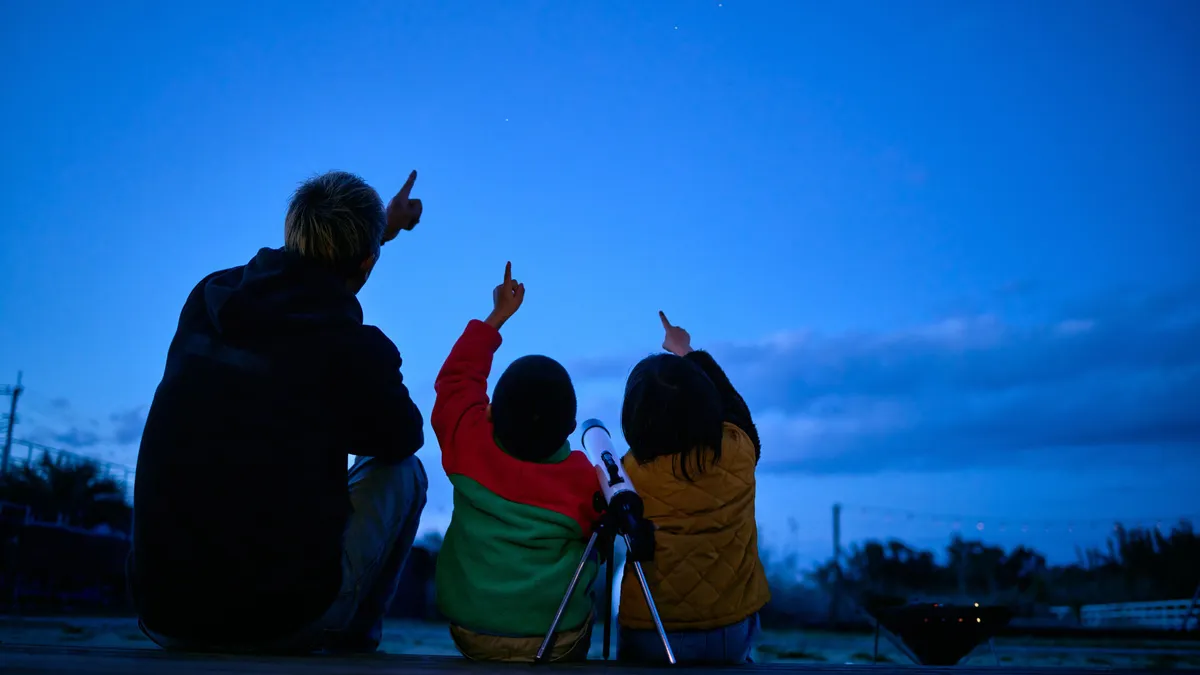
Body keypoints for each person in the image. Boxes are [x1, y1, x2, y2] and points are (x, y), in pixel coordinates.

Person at [130, 169, 430, 654]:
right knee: (406, 472)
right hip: (278, 621)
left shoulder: (209, 299)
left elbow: (306, 279)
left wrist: (381, 234)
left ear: (293, 232)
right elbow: (403, 437)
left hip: (163, 613)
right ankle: (351, 637)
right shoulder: (353, 350)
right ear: (367, 265)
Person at [430, 262, 601, 663]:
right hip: (557, 640)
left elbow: (456, 382)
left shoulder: (467, 442)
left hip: (471, 631)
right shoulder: (583, 478)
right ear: (571, 427)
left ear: (489, 412)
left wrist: (497, 318)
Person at [615, 311, 770, 665]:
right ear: (708, 404)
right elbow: (734, 405)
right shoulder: (739, 451)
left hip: (650, 631)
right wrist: (686, 352)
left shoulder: (629, 474)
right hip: (728, 632)